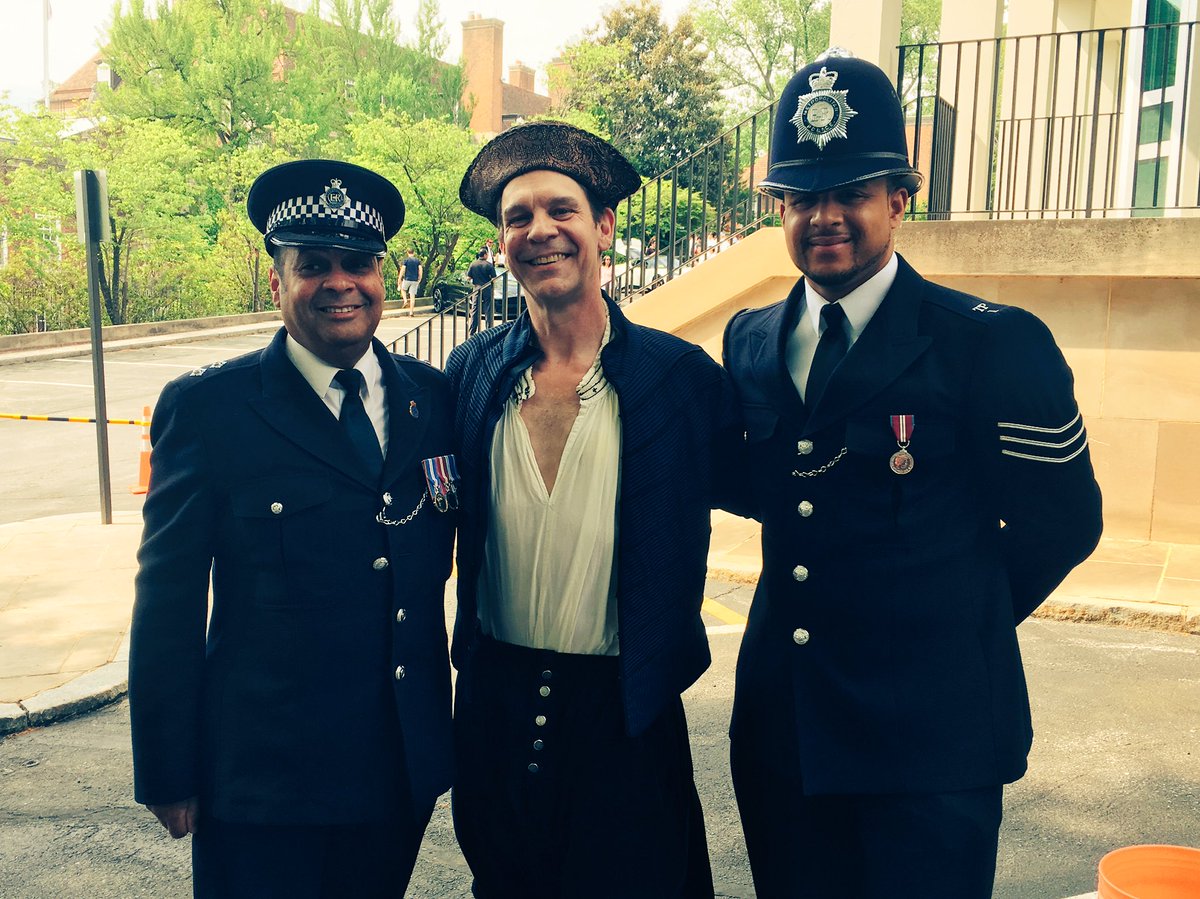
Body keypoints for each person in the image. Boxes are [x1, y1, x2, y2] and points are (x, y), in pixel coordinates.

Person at [720, 53, 1104, 898]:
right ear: (779, 207)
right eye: (801, 196)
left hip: (931, 737)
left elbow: (1064, 523)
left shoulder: (989, 342)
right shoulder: (748, 340)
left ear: (900, 195)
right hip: (788, 732)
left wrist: (947, 620)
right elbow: (768, 487)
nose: (824, 216)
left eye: (850, 191)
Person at [129, 159, 458, 898]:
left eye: (358, 264)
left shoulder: (430, 401)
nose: (340, 282)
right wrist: (168, 766)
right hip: (265, 785)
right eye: (313, 265)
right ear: (278, 282)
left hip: (395, 773)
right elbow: (168, 600)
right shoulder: (211, 410)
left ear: (384, 278)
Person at [447, 120, 738, 898]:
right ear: (502, 244)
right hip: (494, 712)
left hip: (624, 719)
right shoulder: (470, 374)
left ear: (604, 226)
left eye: (561, 210)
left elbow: (791, 492)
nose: (540, 230)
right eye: (518, 217)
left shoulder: (680, 381)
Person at [465, 246, 497, 337]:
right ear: (485, 255)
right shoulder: (489, 265)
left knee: (475, 309)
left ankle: (472, 330)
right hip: (487, 288)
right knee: (488, 309)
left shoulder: (473, 264)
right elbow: (494, 279)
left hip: (476, 288)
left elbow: (468, 277)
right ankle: (489, 329)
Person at [400, 247, 422, 314]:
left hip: (407, 279)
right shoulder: (417, 261)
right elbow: (420, 270)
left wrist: (399, 277)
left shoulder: (406, 260)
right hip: (415, 280)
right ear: (414, 252)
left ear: (407, 253)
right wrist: (420, 278)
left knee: (403, 289)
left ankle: (405, 300)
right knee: (412, 296)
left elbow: (403, 270)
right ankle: (411, 312)